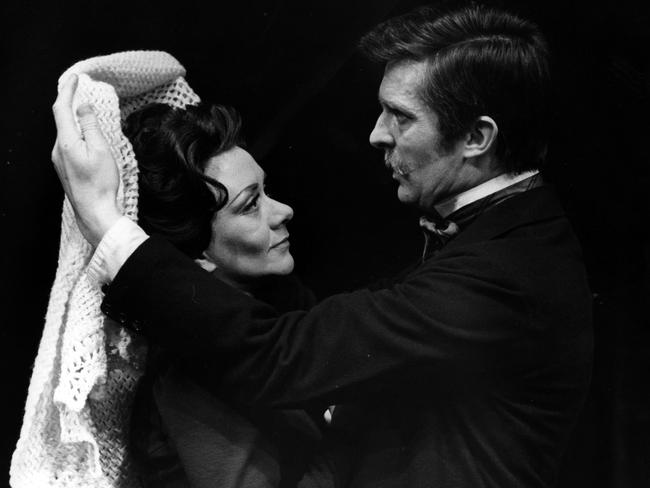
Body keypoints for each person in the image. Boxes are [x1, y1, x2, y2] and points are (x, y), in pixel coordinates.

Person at [51, 4, 593, 488]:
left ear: (477, 138)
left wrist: (105, 222)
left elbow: (281, 354)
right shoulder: (507, 232)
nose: (377, 134)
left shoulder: (506, 269)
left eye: (401, 116)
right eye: (248, 203)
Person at [119, 101, 353, 488]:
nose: (283, 211)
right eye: (250, 205)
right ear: (197, 258)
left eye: (267, 191)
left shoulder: (279, 298)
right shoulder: (187, 378)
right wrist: (362, 430)